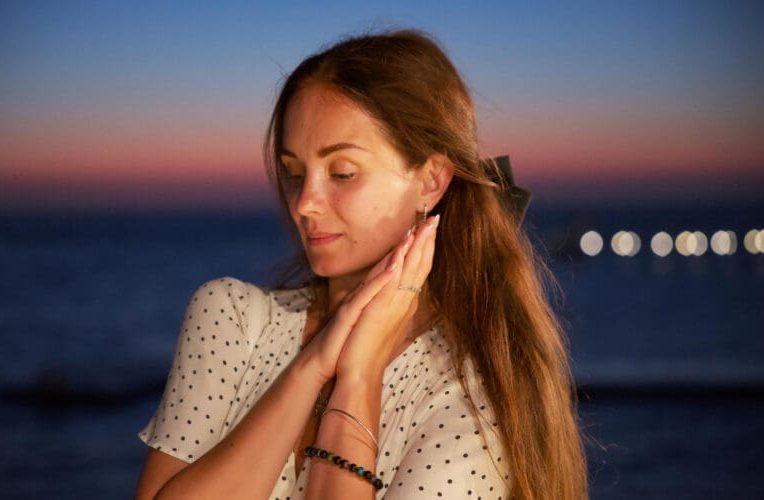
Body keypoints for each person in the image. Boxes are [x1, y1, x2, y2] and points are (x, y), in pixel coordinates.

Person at [134, 28, 587, 500]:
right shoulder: (231, 317)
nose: (304, 204)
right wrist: (310, 367)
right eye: (293, 173)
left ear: (432, 180)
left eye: (342, 173)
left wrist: (360, 376)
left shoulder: (471, 394)